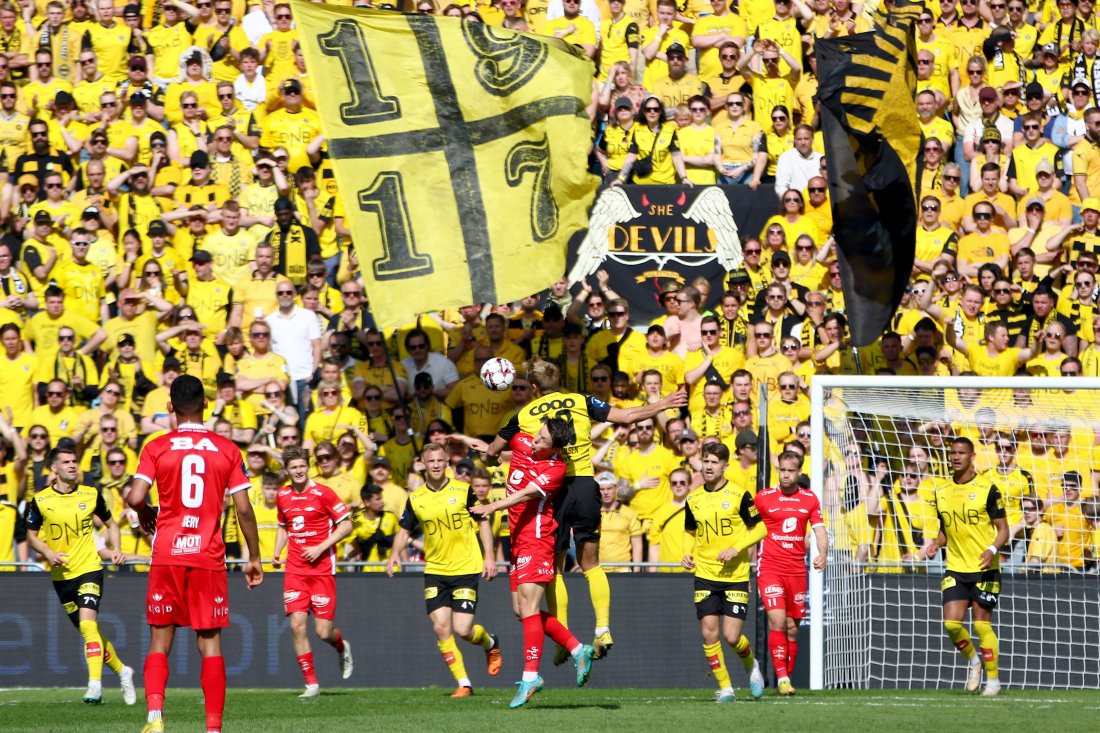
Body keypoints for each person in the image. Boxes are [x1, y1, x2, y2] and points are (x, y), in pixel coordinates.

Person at [487, 357, 687, 661]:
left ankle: (562, 635)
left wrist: (489, 457)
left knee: (555, 569)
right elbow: (625, 416)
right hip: (584, 486)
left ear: (535, 387)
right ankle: (603, 627)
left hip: (554, 489)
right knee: (592, 564)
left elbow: (493, 451)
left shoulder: (523, 414)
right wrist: (663, 404)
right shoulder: (581, 399)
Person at [127, 374, 263, 733]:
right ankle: (213, 728)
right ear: (206, 404)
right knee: (210, 643)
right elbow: (245, 509)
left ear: (170, 406)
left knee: (160, 639)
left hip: (168, 553)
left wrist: (146, 517)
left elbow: (136, 497)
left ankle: (155, 717)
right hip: (208, 555)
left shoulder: (157, 446)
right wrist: (254, 557)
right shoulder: (227, 449)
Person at [470, 419, 596, 707]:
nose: (535, 440)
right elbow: (500, 451)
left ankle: (531, 677)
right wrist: (487, 450)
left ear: (555, 447)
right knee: (520, 611)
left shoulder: (555, 469)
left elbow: (525, 494)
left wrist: (490, 506)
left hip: (537, 538)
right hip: (517, 539)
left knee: (527, 608)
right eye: (537, 435)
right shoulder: (525, 441)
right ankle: (578, 650)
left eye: (542, 439)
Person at [386, 442, 501, 698]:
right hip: (436, 570)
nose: (436, 465)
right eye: (431, 461)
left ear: (447, 463)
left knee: (463, 630)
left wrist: (490, 557)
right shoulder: (416, 498)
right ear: (424, 465)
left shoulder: (464, 490)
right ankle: (464, 683)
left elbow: (483, 523)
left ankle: (489, 642)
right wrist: (395, 553)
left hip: (466, 568)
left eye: (440, 461)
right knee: (440, 628)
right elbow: (404, 531)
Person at [24, 441, 136, 706]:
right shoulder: (41, 500)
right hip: (62, 575)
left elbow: (111, 524)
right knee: (90, 632)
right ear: (53, 468)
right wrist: (49, 554)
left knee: (87, 625)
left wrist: (116, 548)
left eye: (74, 461)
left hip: (89, 569)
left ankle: (94, 686)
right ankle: (123, 671)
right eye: (66, 462)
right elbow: (30, 537)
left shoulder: (91, 493)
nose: (72, 465)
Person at [924, 437, 1009, 697]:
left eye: (962, 453)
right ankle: (973, 661)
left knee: (982, 626)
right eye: (953, 453)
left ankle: (993, 681)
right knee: (951, 624)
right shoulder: (941, 491)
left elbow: (1003, 529)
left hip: (985, 568)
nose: (956, 457)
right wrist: (935, 544)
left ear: (972, 457)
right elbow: (946, 531)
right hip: (956, 567)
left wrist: (992, 549)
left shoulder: (988, 488)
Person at [681, 442, 766, 703]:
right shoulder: (693, 498)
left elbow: (760, 529)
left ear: (725, 466)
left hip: (735, 576)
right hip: (705, 573)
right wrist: (688, 553)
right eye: (705, 460)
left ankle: (752, 666)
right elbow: (690, 532)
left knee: (731, 636)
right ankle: (726, 688)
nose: (708, 466)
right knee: (709, 632)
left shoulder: (740, 496)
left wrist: (735, 548)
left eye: (714, 462)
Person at [272, 446, 354, 697]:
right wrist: (277, 552)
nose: (298, 471)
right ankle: (312, 684)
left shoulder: (324, 493)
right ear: (286, 471)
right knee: (297, 626)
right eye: (293, 467)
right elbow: (283, 526)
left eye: (301, 466)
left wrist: (320, 547)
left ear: (309, 467)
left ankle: (341, 645)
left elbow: (347, 525)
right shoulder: (282, 495)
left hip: (321, 570)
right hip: (295, 569)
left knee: (322, 632)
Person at [754, 450, 827, 696]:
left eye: (790, 471)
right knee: (776, 621)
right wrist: (748, 565)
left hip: (796, 569)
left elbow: (819, 530)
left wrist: (823, 553)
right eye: (782, 470)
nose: (785, 475)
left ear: (799, 472)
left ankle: (787, 676)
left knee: (792, 628)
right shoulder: (763, 497)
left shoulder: (809, 499)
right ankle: (783, 679)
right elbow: (751, 531)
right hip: (770, 567)